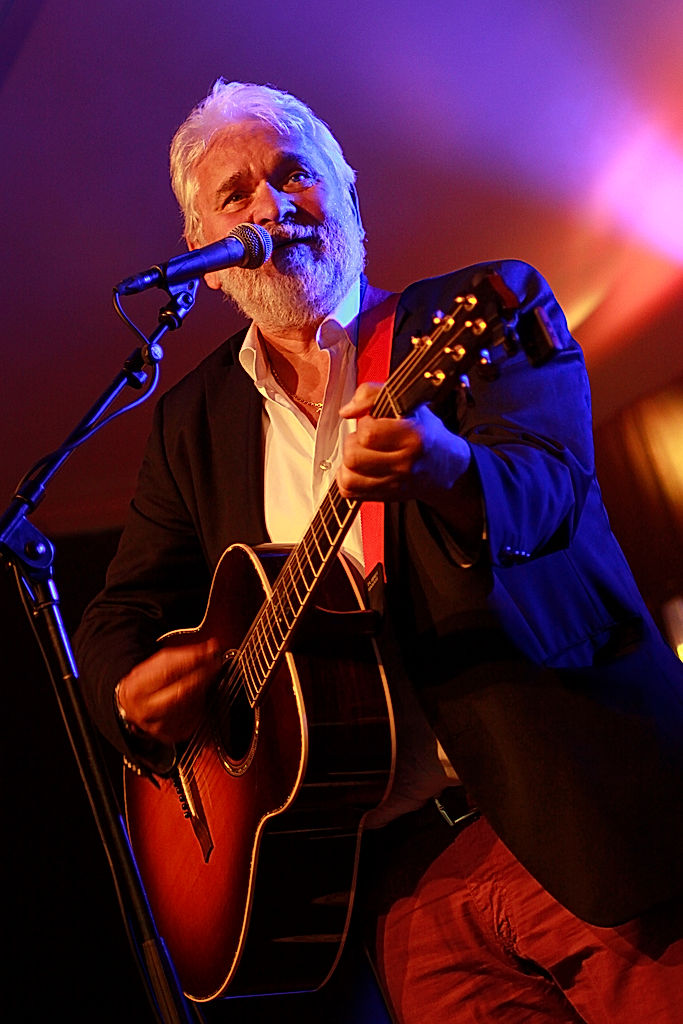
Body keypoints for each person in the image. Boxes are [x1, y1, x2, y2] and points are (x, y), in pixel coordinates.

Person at [75, 79, 683, 1023]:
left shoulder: (483, 310)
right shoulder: (191, 423)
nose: (271, 207)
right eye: (235, 196)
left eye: (294, 176)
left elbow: (554, 497)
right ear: (203, 255)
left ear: (347, 196)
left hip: (574, 818)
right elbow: (120, 617)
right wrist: (129, 694)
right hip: (398, 890)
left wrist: (445, 468)